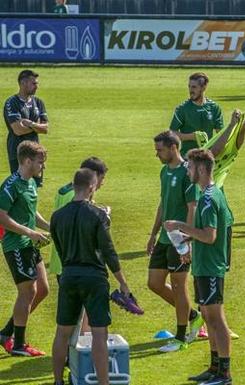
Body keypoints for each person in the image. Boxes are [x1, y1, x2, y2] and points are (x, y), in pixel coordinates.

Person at [50, 168, 133, 385]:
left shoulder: (57, 216)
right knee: (99, 334)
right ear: (90, 187)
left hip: (69, 275)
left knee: (62, 333)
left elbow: (59, 248)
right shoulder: (98, 215)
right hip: (94, 278)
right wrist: (122, 283)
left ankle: (58, 381)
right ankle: (104, 383)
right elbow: (109, 252)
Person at [165, 148, 234, 385]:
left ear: (202, 169)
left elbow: (210, 235)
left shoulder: (207, 198)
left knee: (216, 318)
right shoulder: (211, 193)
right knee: (207, 314)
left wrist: (181, 227)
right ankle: (214, 368)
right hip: (203, 266)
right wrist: (188, 240)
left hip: (211, 267)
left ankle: (224, 373)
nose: (188, 171)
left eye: (191, 167)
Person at [147, 131, 203, 353]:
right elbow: (163, 203)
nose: (157, 154)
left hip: (179, 240)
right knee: (154, 283)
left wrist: (187, 241)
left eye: (160, 150)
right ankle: (193, 316)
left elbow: (192, 208)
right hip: (163, 238)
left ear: (173, 148)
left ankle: (181, 337)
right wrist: (152, 234)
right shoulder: (164, 171)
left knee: (179, 287)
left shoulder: (187, 173)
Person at [0, 141, 50, 356]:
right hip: (16, 245)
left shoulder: (30, 183)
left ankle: (6, 333)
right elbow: (1, 216)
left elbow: (32, 212)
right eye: (40, 162)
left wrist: (50, 227)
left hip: (30, 244)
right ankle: (18, 344)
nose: (43, 167)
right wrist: (30, 233)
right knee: (28, 291)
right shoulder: (11, 186)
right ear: (27, 160)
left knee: (43, 289)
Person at [3, 70, 49, 187]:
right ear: (23, 83)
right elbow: (18, 130)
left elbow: (45, 128)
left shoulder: (38, 102)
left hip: (36, 152)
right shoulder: (11, 103)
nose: (37, 87)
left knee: (35, 187)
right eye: (34, 83)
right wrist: (37, 126)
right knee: (19, 185)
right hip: (18, 152)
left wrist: (30, 124)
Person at [170, 72, 224, 157]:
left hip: (208, 159)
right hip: (188, 159)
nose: (191, 90)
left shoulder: (214, 108)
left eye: (194, 87)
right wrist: (192, 136)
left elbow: (221, 134)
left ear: (203, 87)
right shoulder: (182, 109)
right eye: (189, 87)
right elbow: (172, 133)